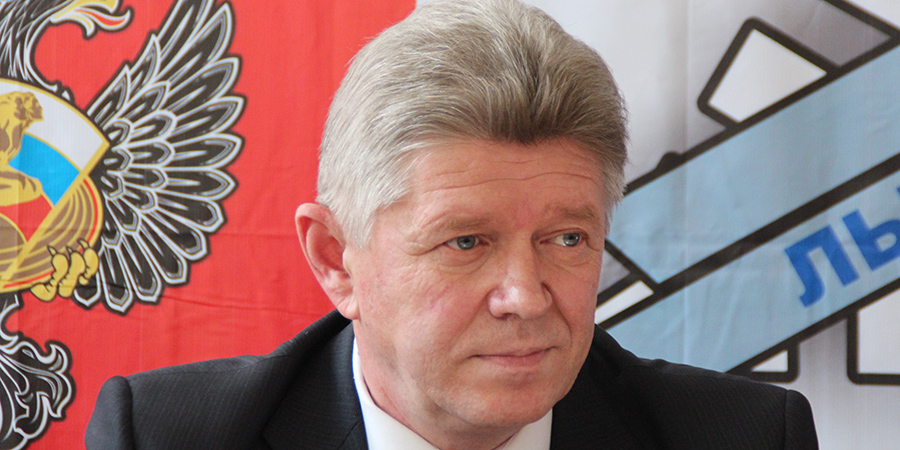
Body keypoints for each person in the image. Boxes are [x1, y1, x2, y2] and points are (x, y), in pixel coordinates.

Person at [85, 0, 818, 449]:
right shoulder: (168, 436)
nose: (525, 297)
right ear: (336, 258)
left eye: (566, 239)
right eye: (466, 242)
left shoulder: (744, 437)